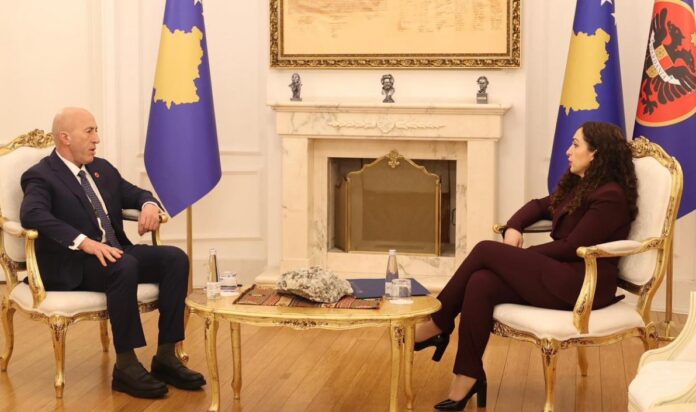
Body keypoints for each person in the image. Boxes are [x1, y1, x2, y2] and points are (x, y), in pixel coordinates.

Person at [414, 121, 638, 411]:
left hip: (584, 283)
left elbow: (573, 247)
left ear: (595, 153)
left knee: (485, 250)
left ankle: (438, 322)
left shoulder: (610, 196)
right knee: (481, 282)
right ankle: (468, 375)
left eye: (575, 145)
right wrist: (514, 227)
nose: (568, 151)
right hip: (561, 274)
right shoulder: (581, 185)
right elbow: (538, 205)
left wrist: (522, 257)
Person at [20, 107, 206, 399]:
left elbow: (137, 193)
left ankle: (166, 356)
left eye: (96, 130)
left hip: (116, 252)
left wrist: (148, 205)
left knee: (175, 259)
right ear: (65, 137)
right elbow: (32, 214)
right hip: (74, 264)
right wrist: (84, 242)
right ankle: (126, 366)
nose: (97, 138)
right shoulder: (41, 175)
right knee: (123, 266)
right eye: (89, 131)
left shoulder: (101, 168)